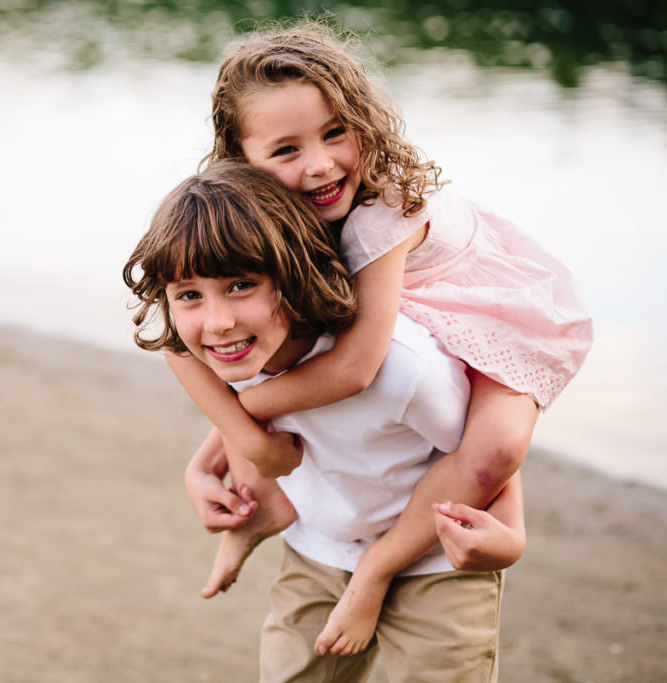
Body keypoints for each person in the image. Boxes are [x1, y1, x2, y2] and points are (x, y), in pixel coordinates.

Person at [165, 22, 593, 658]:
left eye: (337, 132)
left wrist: (238, 427)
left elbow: (355, 370)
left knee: (495, 443)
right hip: (411, 311)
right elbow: (177, 337)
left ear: (364, 121)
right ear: (241, 160)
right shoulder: (270, 214)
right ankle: (271, 508)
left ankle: (399, 564)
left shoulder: (379, 211)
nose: (321, 163)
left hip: (493, 309)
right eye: (286, 151)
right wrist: (222, 448)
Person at [124, 161, 524, 682]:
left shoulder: (402, 369)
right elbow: (243, 407)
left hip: (433, 557)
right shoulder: (222, 352)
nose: (218, 322)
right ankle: (266, 515)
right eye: (189, 295)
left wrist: (506, 535)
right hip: (322, 548)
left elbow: (483, 462)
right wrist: (203, 466)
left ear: (292, 277)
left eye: (241, 285)